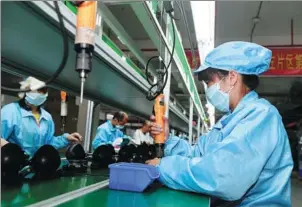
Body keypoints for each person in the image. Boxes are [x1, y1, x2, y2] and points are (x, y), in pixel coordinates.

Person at [146, 41, 293, 206]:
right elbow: (198, 155)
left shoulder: (261, 116)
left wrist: (164, 168)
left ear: (232, 77)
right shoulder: (229, 121)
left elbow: (224, 176)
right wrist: (168, 140)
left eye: (209, 82)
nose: (208, 88)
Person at [1, 77, 83, 156]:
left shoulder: (47, 117)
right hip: (13, 165)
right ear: (25, 90)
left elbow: (48, 143)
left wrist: (66, 139)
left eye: (43, 90)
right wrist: (14, 153)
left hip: (37, 165)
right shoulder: (10, 111)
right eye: (36, 89)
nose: (40, 93)